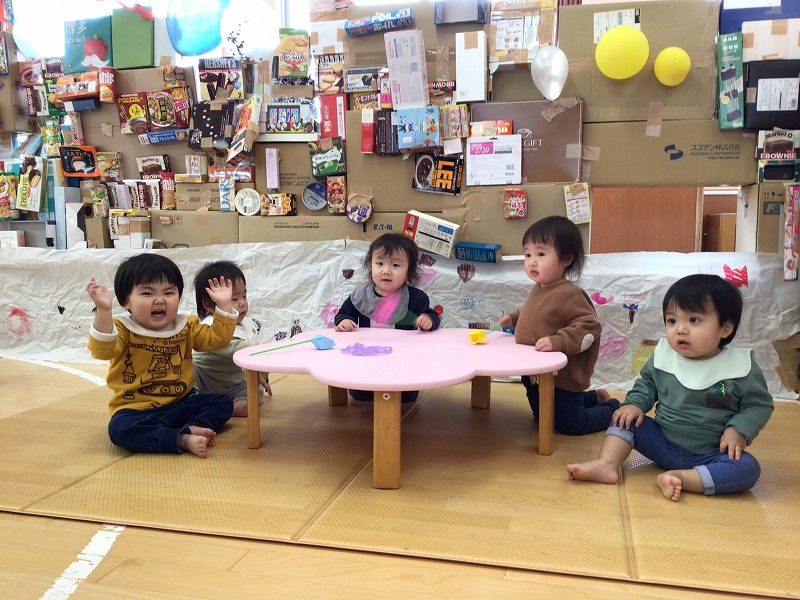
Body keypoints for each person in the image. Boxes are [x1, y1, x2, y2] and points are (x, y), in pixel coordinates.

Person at [567, 274, 774, 501]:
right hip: (662, 442)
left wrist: (739, 429)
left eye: (693, 320)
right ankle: (606, 463)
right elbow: (647, 384)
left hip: (711, 453)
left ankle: (683, 478)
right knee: (624, 419)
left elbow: (758, 405)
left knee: (748, 468)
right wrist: (635, 404)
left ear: (725, 328)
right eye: (672, 321)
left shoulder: (740, 368)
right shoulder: (664, 356)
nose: (680, 330)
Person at [86, 253, 239, 458]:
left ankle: (186, 427)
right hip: (135, 410)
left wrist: (224, 306)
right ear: (125, 301)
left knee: (222, 403)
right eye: (147, 293)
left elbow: (216, 339)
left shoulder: (185, 325)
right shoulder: (123, 328)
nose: (159, 300)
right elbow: (102, 350)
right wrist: (104, 311)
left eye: (168, 292)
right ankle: (181, 437)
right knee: (119, 430)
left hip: (181, 404)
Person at [499, 215, 618, 434]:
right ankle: (594, 398)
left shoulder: (569, 293)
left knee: (572, 424)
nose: (532, 261)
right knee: (542, 415)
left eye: (540, 254)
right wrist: (514, 318)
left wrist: (559, 341)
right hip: (534, 372)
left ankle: (612, 408)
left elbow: (589, 326)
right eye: (527, 254)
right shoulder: (540, 287)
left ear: (566, 258)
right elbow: (536, 314)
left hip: (561, 377)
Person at [334, 233, 441, 402]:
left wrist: (428, 319)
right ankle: (364, 387)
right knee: (360, 393)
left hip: (403, 359)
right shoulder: (361, 295)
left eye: (396, 265)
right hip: (367, 356)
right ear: (370, 266)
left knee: (406, 395)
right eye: (379, 263)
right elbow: (344, 314)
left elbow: (433, 317)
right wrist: (344, 321)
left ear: (409, 271)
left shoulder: (416, 298)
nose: (386, 270)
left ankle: (403, 388)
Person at [192, 260, 272, 417]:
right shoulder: (211, 327)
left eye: (244, 295)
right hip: (204, 380)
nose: (242, 303)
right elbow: (237, 348)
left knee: (254, 389)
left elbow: (250, 357)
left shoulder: (246, 323)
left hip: (233, 383)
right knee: (188, 372)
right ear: (209, 305)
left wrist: (260, 374)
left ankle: (231, 408)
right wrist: (265, 349)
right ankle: (193, 403)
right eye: (234, 299)